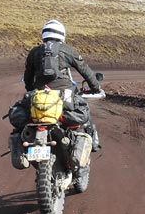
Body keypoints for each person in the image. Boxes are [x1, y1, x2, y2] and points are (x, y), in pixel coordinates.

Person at [23, 20, 102, 149]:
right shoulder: (68, 50)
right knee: (84, 110)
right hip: (65, 95)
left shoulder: (35, 52)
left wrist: (31, 91)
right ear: (62, 34)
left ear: (44, 34)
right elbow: (85, 71)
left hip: (39, 95)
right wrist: (96, 87)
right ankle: (92, 144)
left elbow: (28, 78)